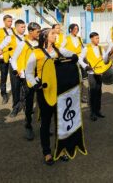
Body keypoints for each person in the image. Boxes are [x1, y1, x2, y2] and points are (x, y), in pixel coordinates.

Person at [25, 28, 74, 165]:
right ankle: (46, 152)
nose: (56, 35)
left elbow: (71, 54)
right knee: (46, 122)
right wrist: (35, 84)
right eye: (52, 34)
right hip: (44, 92)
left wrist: (74, 57)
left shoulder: (59, 51)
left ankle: (61, 149)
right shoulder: (36, 53)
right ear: (45, 37)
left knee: (61, 121)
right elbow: (28, 72)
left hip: (60, 91)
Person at [11, 22, 41, 140]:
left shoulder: (40, 43)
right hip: (27, 77)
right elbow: (13, 59)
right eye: (37, 31)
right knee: (29, 103)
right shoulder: (22, 44)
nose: (39, 33)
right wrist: (18, 71)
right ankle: (28, 125)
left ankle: (44, 126)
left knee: (42, 102)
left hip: (39, 75)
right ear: (31, 31)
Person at [0, 19, 26, 117]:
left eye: (24, 27)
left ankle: (26, 106)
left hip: (25, 66)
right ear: (17, 27)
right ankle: (15, 107)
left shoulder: (27, 38)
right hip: (14, 66)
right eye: (22, 27)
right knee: (15, 87)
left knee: (25, 88)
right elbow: (0, 47)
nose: (24, 28)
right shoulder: (10, 38)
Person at [79, 32, 106, 121]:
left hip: (100, 73)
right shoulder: (87, 48)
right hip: (91, 73)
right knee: (93, 93)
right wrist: (85, 66)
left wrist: (108, 56)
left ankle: (98, 111)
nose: (98, 40)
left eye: (98, 38)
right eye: (96, 38)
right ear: (91, 39)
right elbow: (80, 59)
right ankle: (92, 113)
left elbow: (105, 59)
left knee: (99, 92)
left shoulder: (101, 48)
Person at [62, 23, 87, 103]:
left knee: (81, 80)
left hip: (79, 61)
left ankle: (80, 97)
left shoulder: (79, 38)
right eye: (75, 29)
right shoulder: (66, 38)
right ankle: (70, 98)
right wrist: (69, 54)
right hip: (70, 62)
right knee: (71, 80)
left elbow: (83, 48)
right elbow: (61, 49)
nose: (76, 31)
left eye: (77, 29)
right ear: (70, 29)